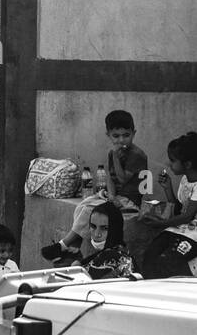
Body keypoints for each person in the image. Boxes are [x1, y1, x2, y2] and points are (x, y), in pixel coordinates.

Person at [40, 109, 148, 260]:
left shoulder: (137, 155)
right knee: (83, 205)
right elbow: (110, 176)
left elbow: (123, 179)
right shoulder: (113, 153)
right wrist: (110, 195)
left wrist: (116, 157)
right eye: (116, 136)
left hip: (130, 201)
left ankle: (63, 244)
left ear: (133, 133)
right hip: (116, 196)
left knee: (90, 210)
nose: (121, 140)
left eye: (126, 135)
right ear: (108, 135)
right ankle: (73, 248)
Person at [139, 131, 197, 278]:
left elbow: (187, 216)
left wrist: (161, 223)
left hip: (193, 233)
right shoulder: (185, 179)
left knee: (169, 262)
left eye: (172, 160)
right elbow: (179, 208)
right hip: (180, 229)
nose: (168, 164)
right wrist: (168, 188)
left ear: (188, 164)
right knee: (151, 254)